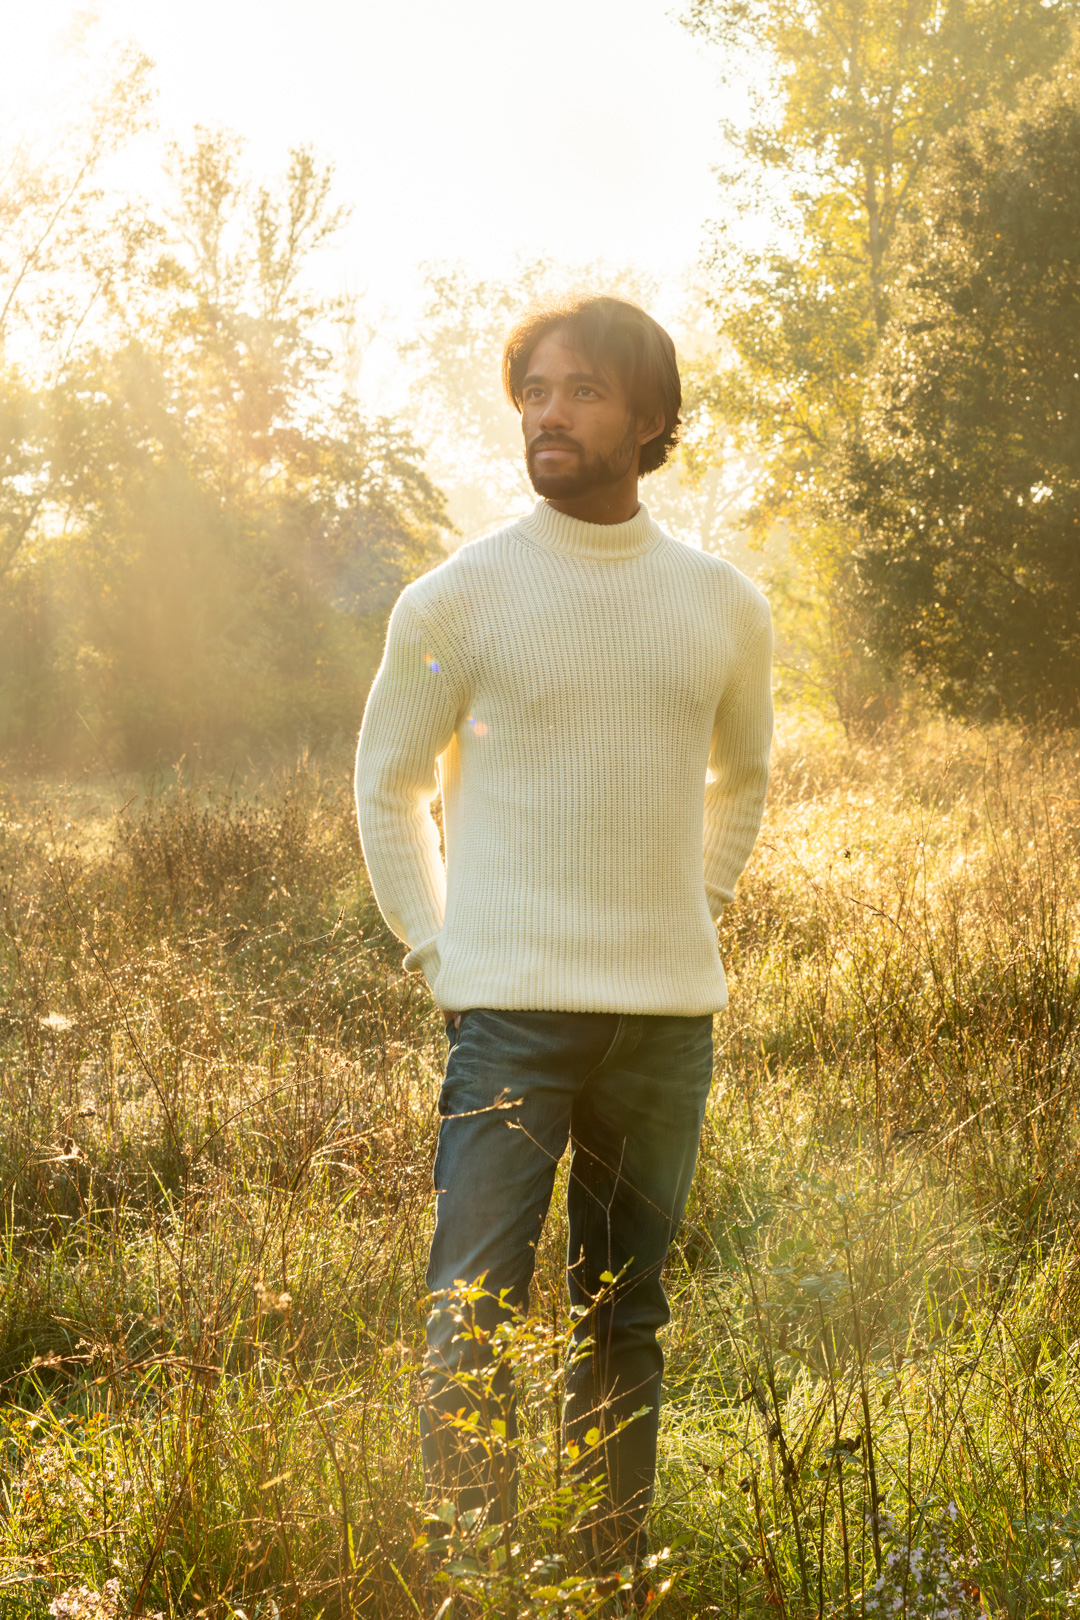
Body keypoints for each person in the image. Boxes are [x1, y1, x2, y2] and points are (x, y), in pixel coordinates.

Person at [355, 294, 772, 1591]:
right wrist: (439, 954)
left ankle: (609, 1570)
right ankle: (471, 1574)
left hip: (664, 1025)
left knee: (623, 1317)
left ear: (649, 421)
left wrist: (690, 903)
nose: (549, 410)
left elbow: (745, 776)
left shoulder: (723, 604)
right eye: (534, 388)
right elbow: (387, 783)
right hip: (510, 1019)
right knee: (470, 1315)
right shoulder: (457, 596)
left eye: (583, 390)